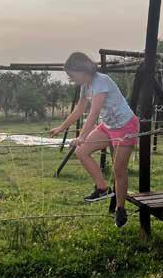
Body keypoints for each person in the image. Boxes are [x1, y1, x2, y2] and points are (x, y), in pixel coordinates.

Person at [50, 52, 139, 228]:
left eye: (71, 74)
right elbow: (79, 110)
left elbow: (94, 112)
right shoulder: (86, 85)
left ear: (82, 69)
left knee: (119, 170)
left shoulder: (101, 81)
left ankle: (120, 208)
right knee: (81, 151)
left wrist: (82, 136)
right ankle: (102, 188)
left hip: (125, 126)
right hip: (108, 126)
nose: (70, 78)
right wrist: (61, 127)